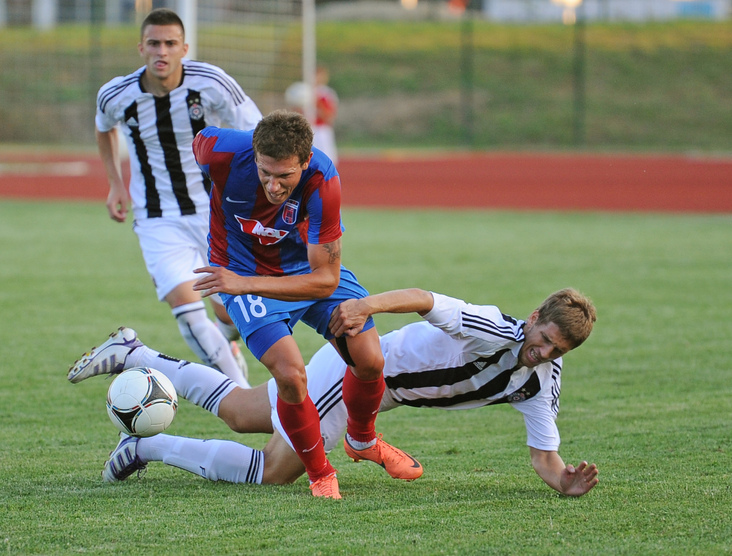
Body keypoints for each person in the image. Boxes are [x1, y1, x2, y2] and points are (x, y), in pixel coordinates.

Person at [69, 287, 600, 498]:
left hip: (370, 395)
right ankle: (145, 446)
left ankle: (135, 353)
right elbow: (423, 298)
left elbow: (544, 456)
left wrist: (563, 481)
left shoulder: (541, 382)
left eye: (558, 351)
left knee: (241, 412)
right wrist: (367, 307)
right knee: (274, 471)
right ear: (534, 317)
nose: (544, 353)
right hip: (355, 378)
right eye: (544, 339)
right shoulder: (491, 326)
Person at [191, 110, 411, 499]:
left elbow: (326, 279)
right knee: (291, 374)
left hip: (304, 271)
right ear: (254, 154)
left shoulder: (323, 180)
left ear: (306, 161)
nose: (273, 185)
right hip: (239, 270)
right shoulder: (218, 151)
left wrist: (242, 285)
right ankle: (320, 472)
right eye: (264, 173)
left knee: (370, 359)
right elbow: (193, 145)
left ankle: (362, 439)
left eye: (285, 176)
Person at [86, 8, 262, 388]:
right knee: (189, 314)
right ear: (141, 48)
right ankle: (242, 394)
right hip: (157, 218)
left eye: (170, 43)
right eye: (154, 43)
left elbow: (256, 131)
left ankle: (228, 343)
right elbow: (104, 128)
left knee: (229, 312)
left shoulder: (212, 82)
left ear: (184, 48)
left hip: (216, 212)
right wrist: (115, 183)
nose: (161, 51)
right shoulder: (117, 94)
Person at [284, 67, 339, 164]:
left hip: (321, 130)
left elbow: (329, 116)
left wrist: (317, 104)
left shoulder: (325, 93)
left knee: (327, 160)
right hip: (305, 128)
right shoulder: (301, 90)